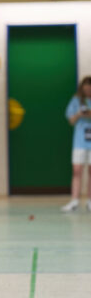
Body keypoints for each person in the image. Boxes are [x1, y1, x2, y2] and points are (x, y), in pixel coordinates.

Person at [61, 76, 91, 212]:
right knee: (77, 170)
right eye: (85, 89)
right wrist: (79, 114)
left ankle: (90, 201)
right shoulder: (76, 101)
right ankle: (74, 201)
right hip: (80, 141)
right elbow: (71, 121)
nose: (87, 91)